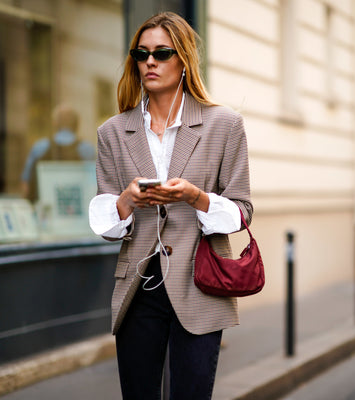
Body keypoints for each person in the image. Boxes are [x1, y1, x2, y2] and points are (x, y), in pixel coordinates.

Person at [88, 12, 252, 399]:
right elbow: (105, 219)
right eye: (141, 53)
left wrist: (195, 197)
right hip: (138, 288)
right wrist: (127, 199)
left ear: (183, 61)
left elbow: (242, 209)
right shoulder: (112, 131)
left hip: (200, 284)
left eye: (162, 53)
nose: (150, 62)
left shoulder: (224, 125)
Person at [20, 104, 95, 201]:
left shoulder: (39, 148)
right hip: (77, 210)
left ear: (55, 123)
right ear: (77, 124)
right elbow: (94, 186)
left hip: (45, 209)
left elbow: (26, 185)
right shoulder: (87, 150)